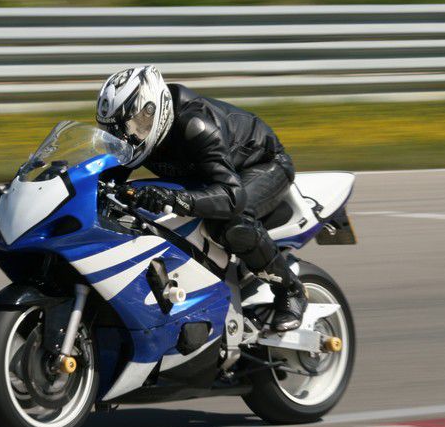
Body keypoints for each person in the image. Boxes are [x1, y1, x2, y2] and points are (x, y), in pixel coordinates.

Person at [95, 65, 307, 332]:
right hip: (207, 176)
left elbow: (232, 196)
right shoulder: (138, 135)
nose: (128, 136)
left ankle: (290, 291)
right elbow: (108, 178)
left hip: (260, 166)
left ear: (153, 110)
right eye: (117, 132)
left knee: (231, 224)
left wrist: (172, 198)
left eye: (135, 126)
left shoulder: (195, 125)